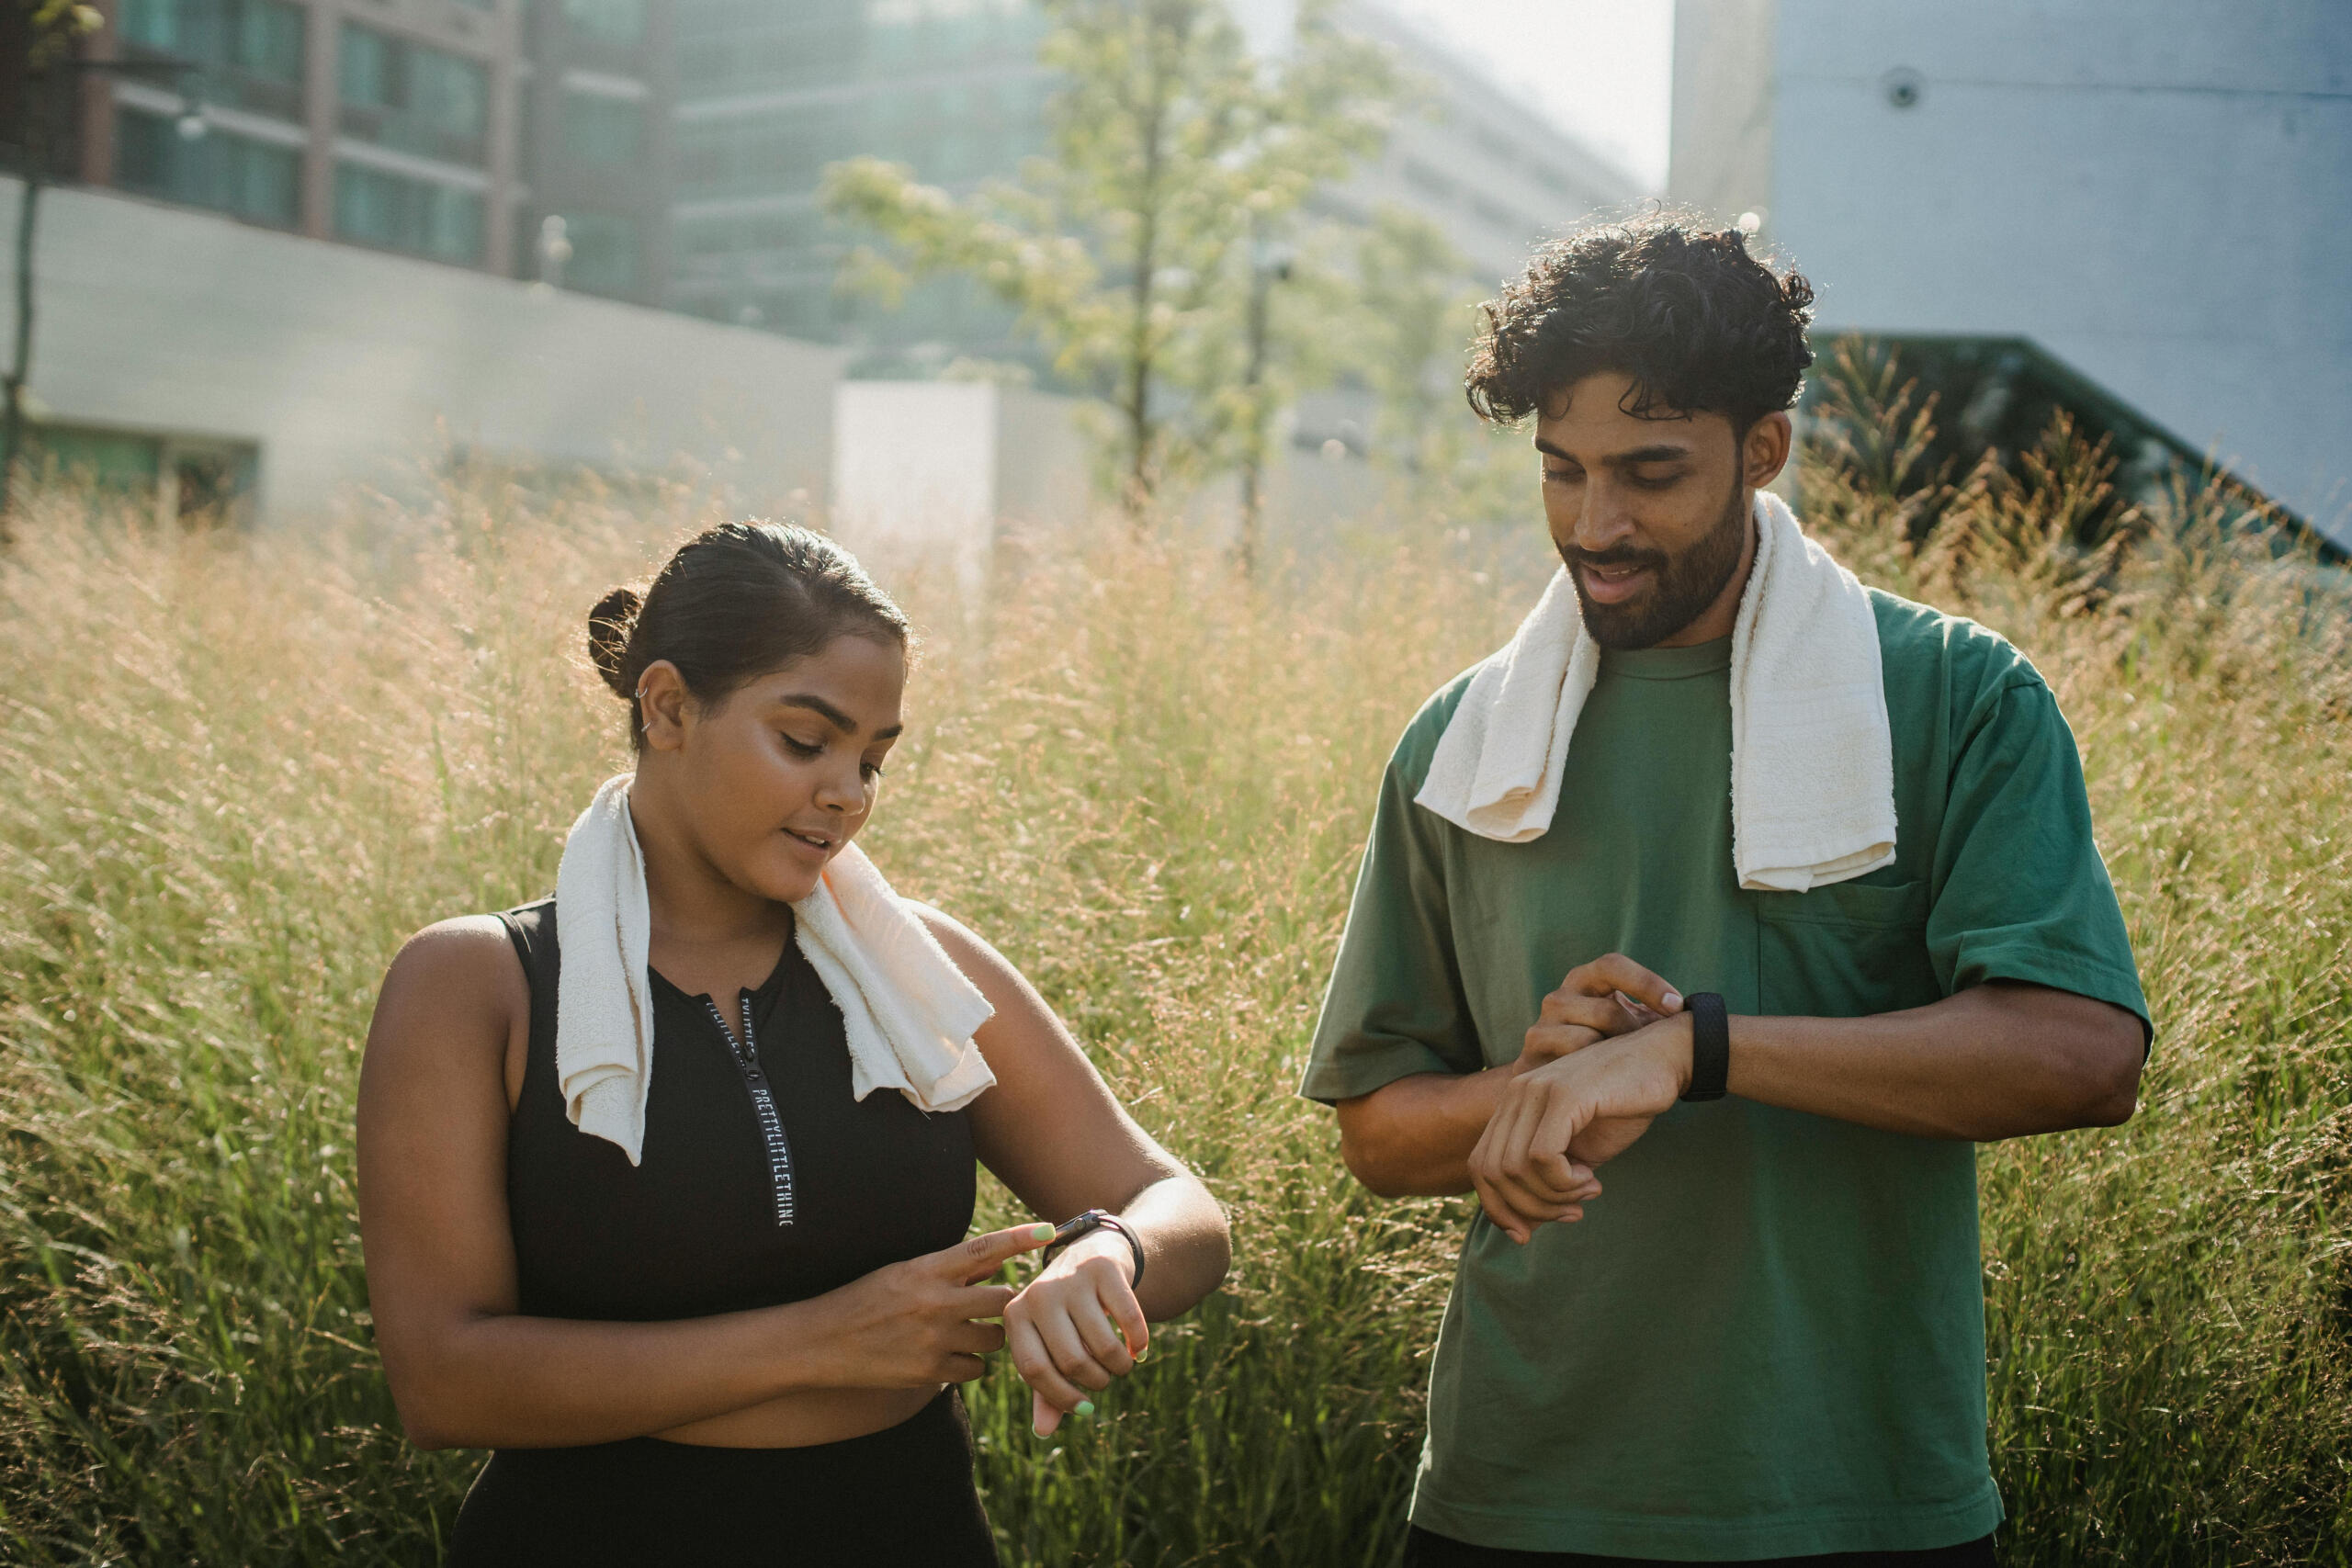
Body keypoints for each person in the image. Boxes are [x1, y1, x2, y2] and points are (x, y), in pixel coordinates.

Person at [1300, 218, 2150, 1565]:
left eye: (1651, 472)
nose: (1597, 524)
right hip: (1514, 1497)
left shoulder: (1958, 698)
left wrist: (1698, 1051)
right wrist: (1540, 1084)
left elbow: (2083, 1055)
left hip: (1861, 1496)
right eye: (1562, 472)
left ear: (1766, 451)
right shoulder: (1460, 742)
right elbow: (1382, 1135)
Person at [357, 521, 1230, 1565]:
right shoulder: (476, 987)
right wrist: (826, 1339)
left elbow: (1181, 1208)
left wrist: (1108, 1252)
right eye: (806, 742)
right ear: (669, 706)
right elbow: (442, 1380)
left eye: (872, 759)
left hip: (908, 1532)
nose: (847, 794)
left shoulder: (917, 965)